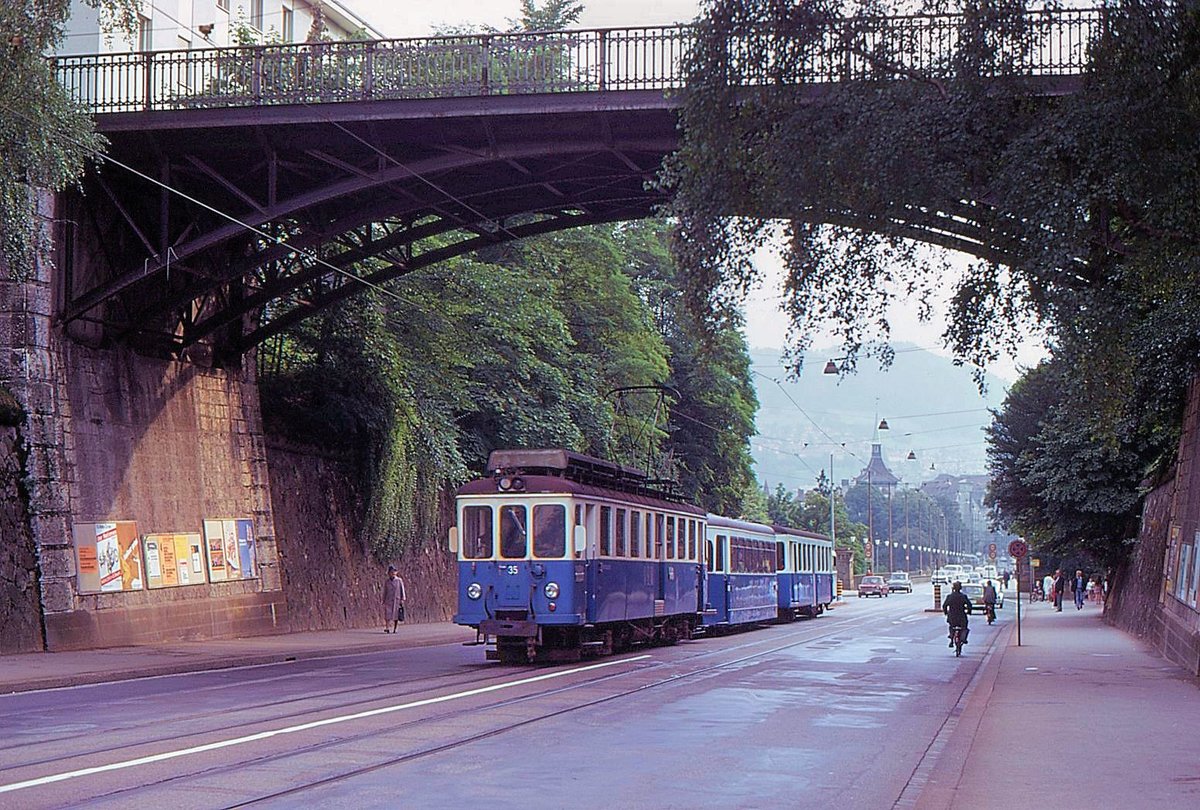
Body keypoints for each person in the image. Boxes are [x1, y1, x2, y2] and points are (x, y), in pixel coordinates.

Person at [942, 580, 971, 647]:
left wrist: (946, 612)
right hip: (961, 616)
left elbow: (944, 605)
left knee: (951, 626)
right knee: (964, 627)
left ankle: (951, 639)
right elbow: (969, 605)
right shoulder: (963, 596)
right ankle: (963, 638)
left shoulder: (950, 596)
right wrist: (969, 611)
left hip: (952, 616)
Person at [383, 564, 406, 633]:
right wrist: (383, 599)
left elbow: (402, 589)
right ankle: (387, 627)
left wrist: (402, 599)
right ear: (389, 573)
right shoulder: (387, 581)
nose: (392, 573)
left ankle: (395, 628)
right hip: (389, 599)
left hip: (397, 599)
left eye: (394, 572)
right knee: (387, 614)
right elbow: (385, 591)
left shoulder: (399, 580)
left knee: (396, 615)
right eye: (391, 572)